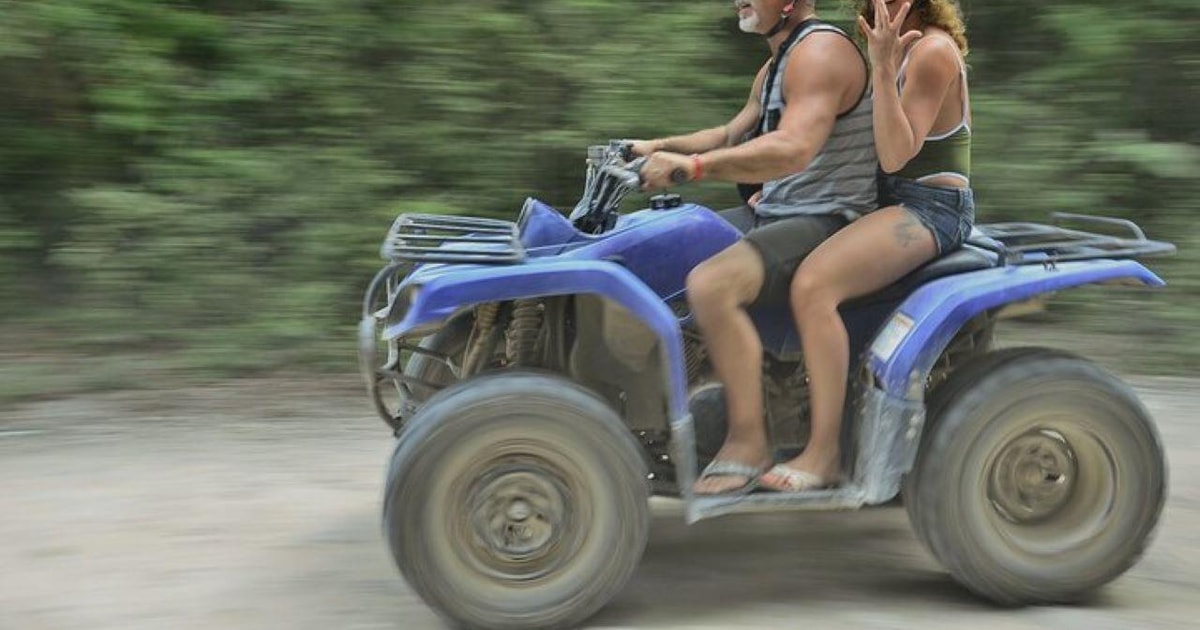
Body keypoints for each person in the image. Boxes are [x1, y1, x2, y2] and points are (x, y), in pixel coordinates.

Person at [635, 0, 877, 495]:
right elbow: (729, 132)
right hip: (778, 211)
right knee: (659, 246)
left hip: (827, 219)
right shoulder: (778, 62)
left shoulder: (822, 52)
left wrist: (692, 168)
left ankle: (748, 441)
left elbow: (794, 147)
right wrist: (655, 146)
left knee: (710, 283)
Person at [757, 0, 976, 492]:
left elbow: (896, 155)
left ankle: (824, 453)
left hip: (930, 207)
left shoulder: (932, 51)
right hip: (879, 199)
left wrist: (880, 66)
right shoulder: (880, 45)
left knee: (813, 286)